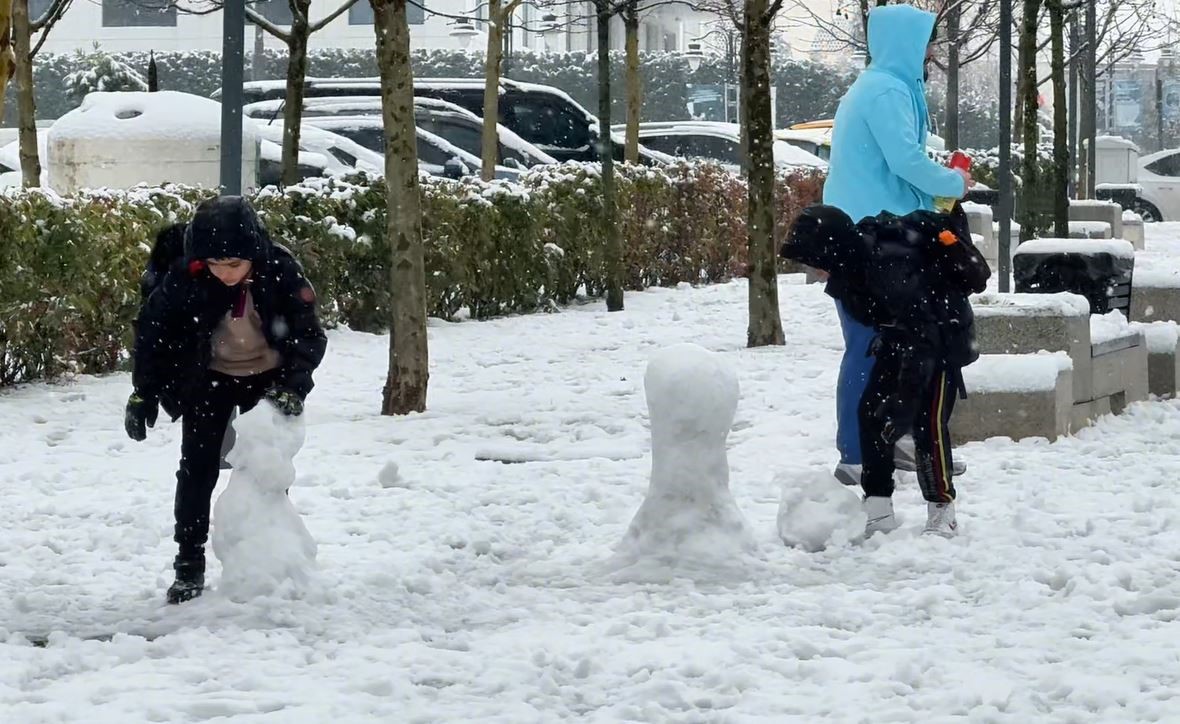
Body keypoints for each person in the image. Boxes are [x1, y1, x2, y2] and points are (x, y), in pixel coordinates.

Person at [125, 196, 327, 604]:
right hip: (209, 377)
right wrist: (143, 392)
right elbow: (153, 332)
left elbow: (309, 336)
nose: (226, 274)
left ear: (252, 255)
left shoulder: (280, 270)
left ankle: (271, 554)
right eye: (216, 265)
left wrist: (291, 387)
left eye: (235, 265)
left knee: (266, 470)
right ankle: (189, 562)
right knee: (196, 470)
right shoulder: (188, 277)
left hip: (268, 381)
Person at [821, 4, 972, 486]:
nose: (933, 49)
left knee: (894, 341)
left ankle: (891, 437)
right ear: (906, 43)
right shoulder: (886, 89)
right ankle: (857, 451)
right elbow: (905, 159)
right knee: (870, 343)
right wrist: (953, 179)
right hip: (871, 240)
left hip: (877, 233)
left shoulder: (886, 86)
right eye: (927, 39)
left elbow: (893, 164)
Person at [783, 202, 990, 536]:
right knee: (871, 416)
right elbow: (889, 321)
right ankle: (878, 509)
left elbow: (923, 338)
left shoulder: (887, 266)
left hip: (942, 338)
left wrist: (904, 403)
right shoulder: (850, 270)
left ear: (830, 251)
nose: (814, 270)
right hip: (901, 340)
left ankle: (942, 510)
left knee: (927, 425)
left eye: (814, 261)